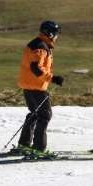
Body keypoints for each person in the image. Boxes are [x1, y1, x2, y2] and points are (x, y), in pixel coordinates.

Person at [14, 20, 64, 153]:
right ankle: (38, 148)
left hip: (29, 85)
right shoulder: (41, 47)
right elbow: (36, 68)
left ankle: (24, 145)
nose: (57, 37)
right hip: (36, 87)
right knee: (44, 115)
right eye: (56, 34)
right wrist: (52, 78)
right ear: (50, 34)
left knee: (34, 114)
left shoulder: (37, 43)